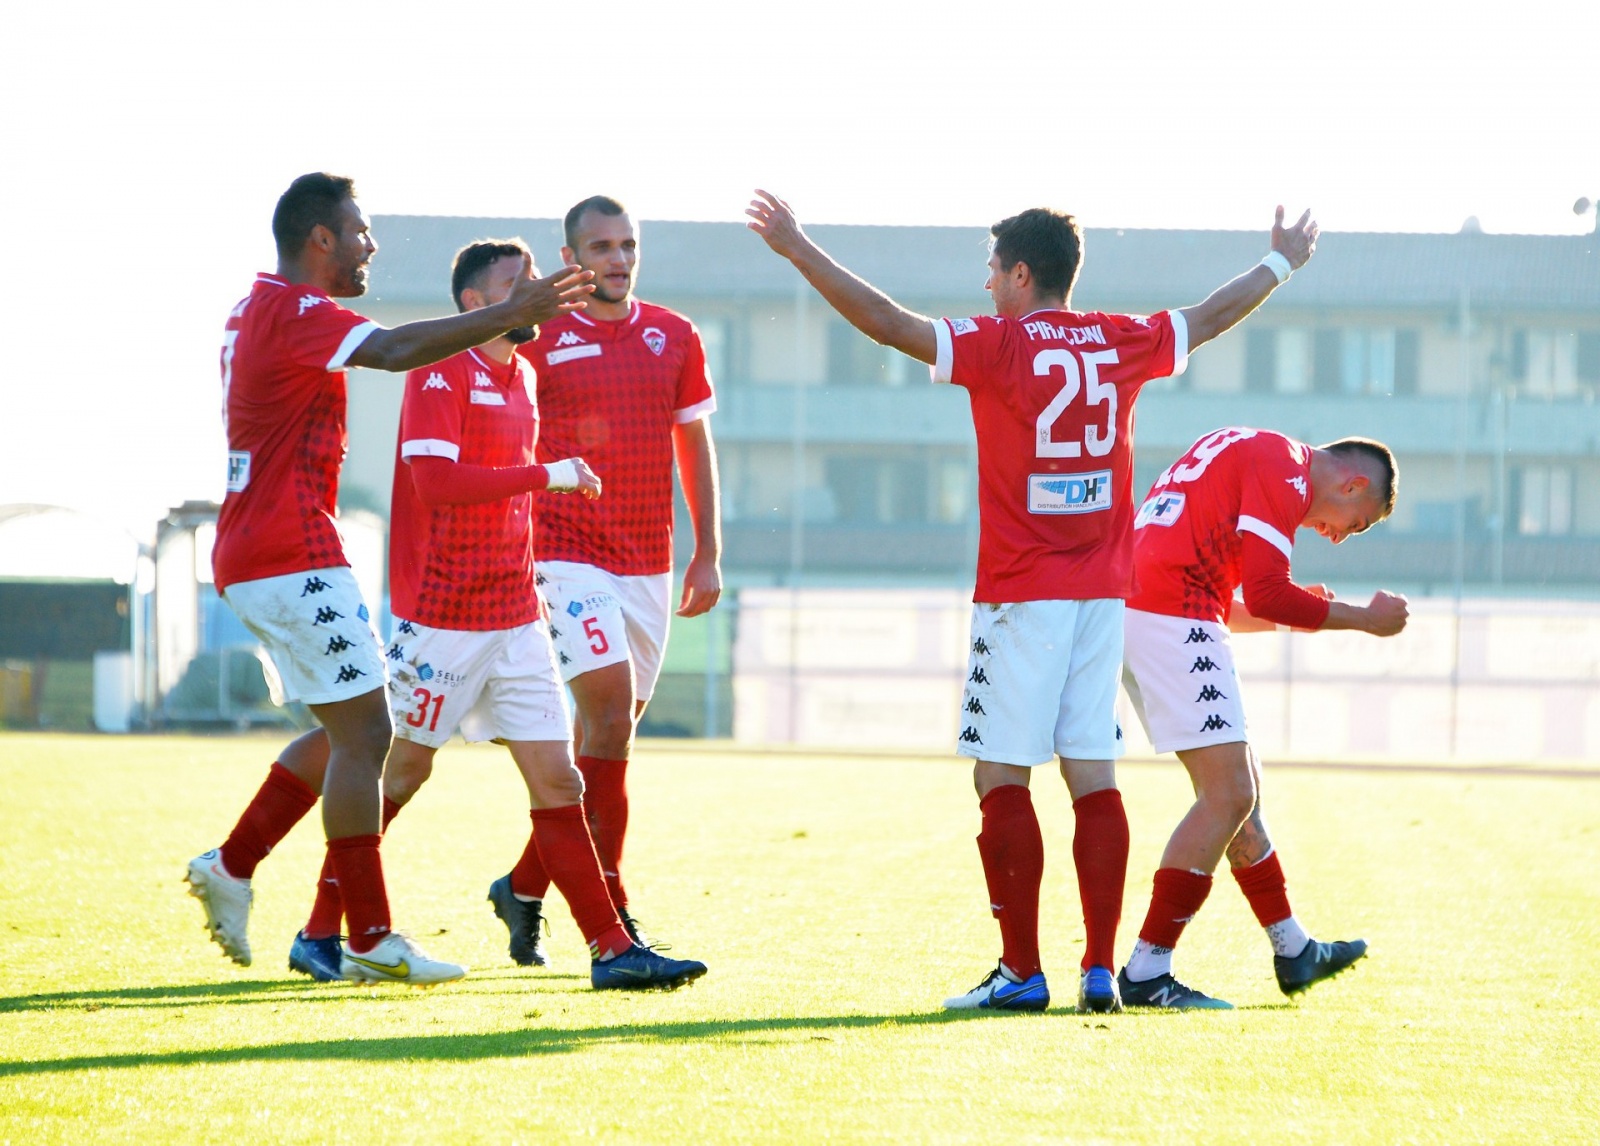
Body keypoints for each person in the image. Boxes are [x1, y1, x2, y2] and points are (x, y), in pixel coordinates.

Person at [747, 190, 1318, 1014]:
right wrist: (1279, 263)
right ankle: (1097, 969)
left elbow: (887, 324)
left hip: (1020, 595)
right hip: (1102, 596)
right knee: (1093, 773)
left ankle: (1020, 972)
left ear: (1021, 272)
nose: (985, 287)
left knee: (999, 774)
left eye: (991, 271)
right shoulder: (1122, 338)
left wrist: (799, 248)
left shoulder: (999, 346)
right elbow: (1211, 315)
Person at [185, 173, 592, 986]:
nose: (373, 245)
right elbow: (396, 351)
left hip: (261, 548)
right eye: (361, 231)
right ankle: (366, 936)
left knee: (354, 730)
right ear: (321, 239)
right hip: (290, 550)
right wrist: (512, 312)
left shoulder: (252, 307)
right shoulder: (296, 311)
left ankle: (234, 864)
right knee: (373, 737)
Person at [283, 240, 708, 990]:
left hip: (515, 616)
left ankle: (613, 950)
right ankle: (321, 930)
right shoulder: (442, 370)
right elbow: (439, 486)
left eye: (537, 278)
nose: (539, 292)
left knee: (559, 779)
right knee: (403, 770)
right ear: (478, 304)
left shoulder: (525, 377)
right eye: (520, 284)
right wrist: (550, 474)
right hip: (444, 618)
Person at [492, 195, 722, 964]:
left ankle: (524, 885)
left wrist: (708, 550)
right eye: (600, 246)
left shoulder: (675, 334)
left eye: (627, 245)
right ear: (571, 257)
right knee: (611, 729)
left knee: (602, 741)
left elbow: (695, 443)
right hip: (563, 553)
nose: (617, 259)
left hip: (646, 563)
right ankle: (616, 924)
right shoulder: (538, 333)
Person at [1116, 428, 1407, 1008]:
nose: (1341, 538)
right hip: (1172, 619)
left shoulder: (1254, 451)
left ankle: (1293, 948)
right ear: (1353, 485)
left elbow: (1234, 598)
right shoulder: (1286, 469)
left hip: (1149, 609)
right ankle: (1147, 971)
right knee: (1228, 796)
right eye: (1358, 523)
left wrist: (1300, 610)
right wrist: (1362, 618)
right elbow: (1270, 592)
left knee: (1239, 796)